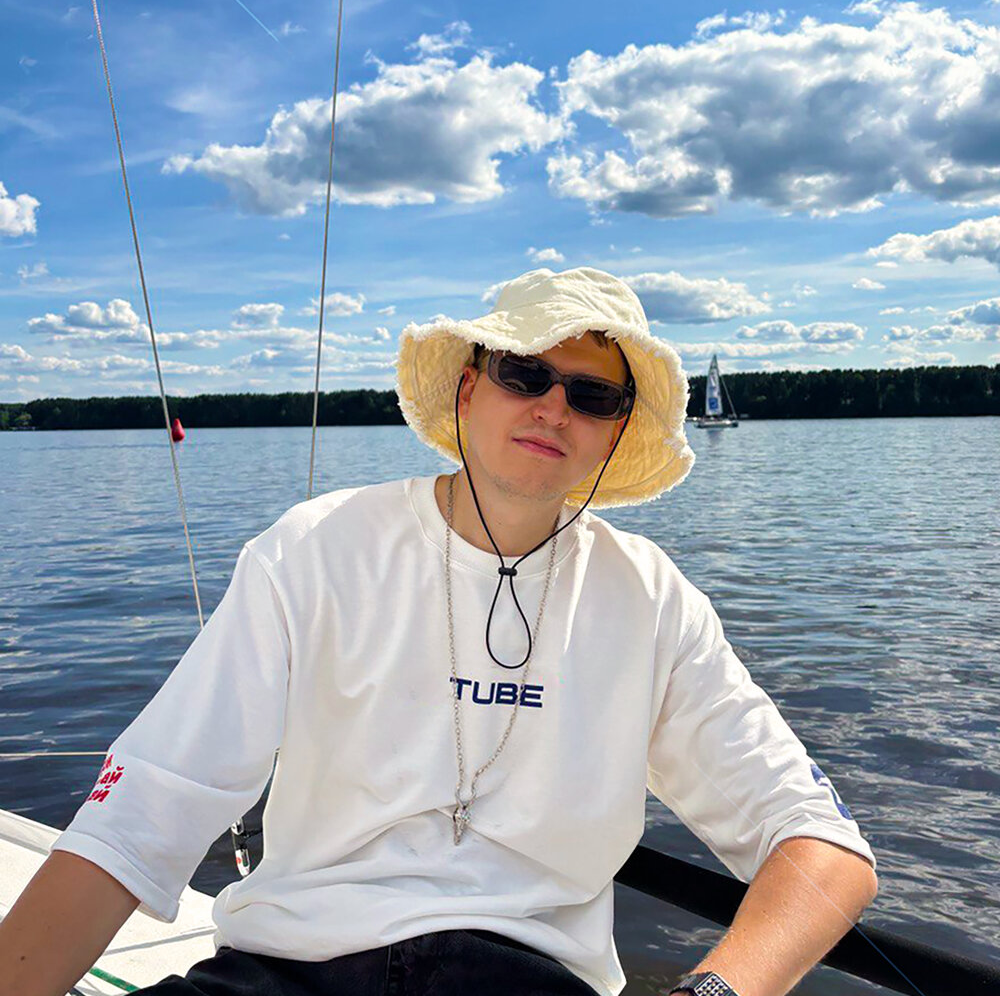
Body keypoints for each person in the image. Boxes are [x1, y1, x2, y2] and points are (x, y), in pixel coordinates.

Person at [0, 267, 877, 996]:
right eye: (525, 374)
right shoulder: (316, 550)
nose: (553, 407)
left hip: (527, 977)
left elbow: (824, 847)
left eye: (592, 394)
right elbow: (143, 812)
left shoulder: (650, 600)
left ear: (614, 430)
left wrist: (711, 992)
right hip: (289, 973)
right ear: (468, 386)